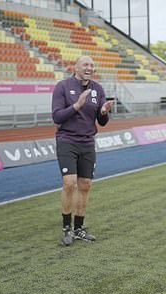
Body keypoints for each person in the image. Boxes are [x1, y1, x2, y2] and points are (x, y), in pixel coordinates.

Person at [51, 55, 114, 246]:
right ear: (76, 67)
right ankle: (66, 229)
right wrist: (76, 106)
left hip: (87, 142)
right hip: (67, 140)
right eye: (86, 64)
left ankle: (79, 228)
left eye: (92, 65)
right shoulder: (62, 86)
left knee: (85, 184)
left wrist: (103, 112)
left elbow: (101, 122)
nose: (90, 68)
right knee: (69, 183)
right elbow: (57, 117)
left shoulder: (97, 89)